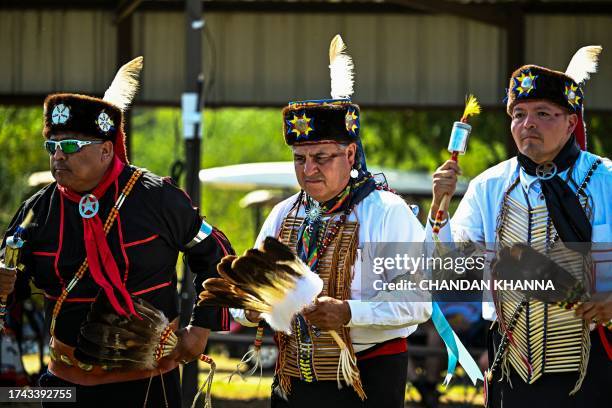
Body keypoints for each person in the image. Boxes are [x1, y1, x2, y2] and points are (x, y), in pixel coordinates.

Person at [0, 57, 233, 407]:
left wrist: (200, 329)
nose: (58, 157)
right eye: (53, 147)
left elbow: (215, 253)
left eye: (70, 147)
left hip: (147, 384)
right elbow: (11, 288)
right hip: (64, 382)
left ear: (107, 150)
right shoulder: (36, 212)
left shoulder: (157, 198)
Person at [231, 35, 431, 408]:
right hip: (293, 379)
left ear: (350, 154)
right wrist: (252, 307)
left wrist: (349, 312)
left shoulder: (387, 212)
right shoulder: (283, 214)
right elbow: (244, 298)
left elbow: (418, 301)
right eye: (300, 159)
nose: (309, 169)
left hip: (367, 378)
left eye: (321, 157)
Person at [429, 46, 612, 407]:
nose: (527, 124)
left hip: (595, 365)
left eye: (543, 114)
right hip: (512, 367)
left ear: (571, 123)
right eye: (519, 114)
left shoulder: (605, 179)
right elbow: (449, 267)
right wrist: (439, 207)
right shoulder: (490, 186)